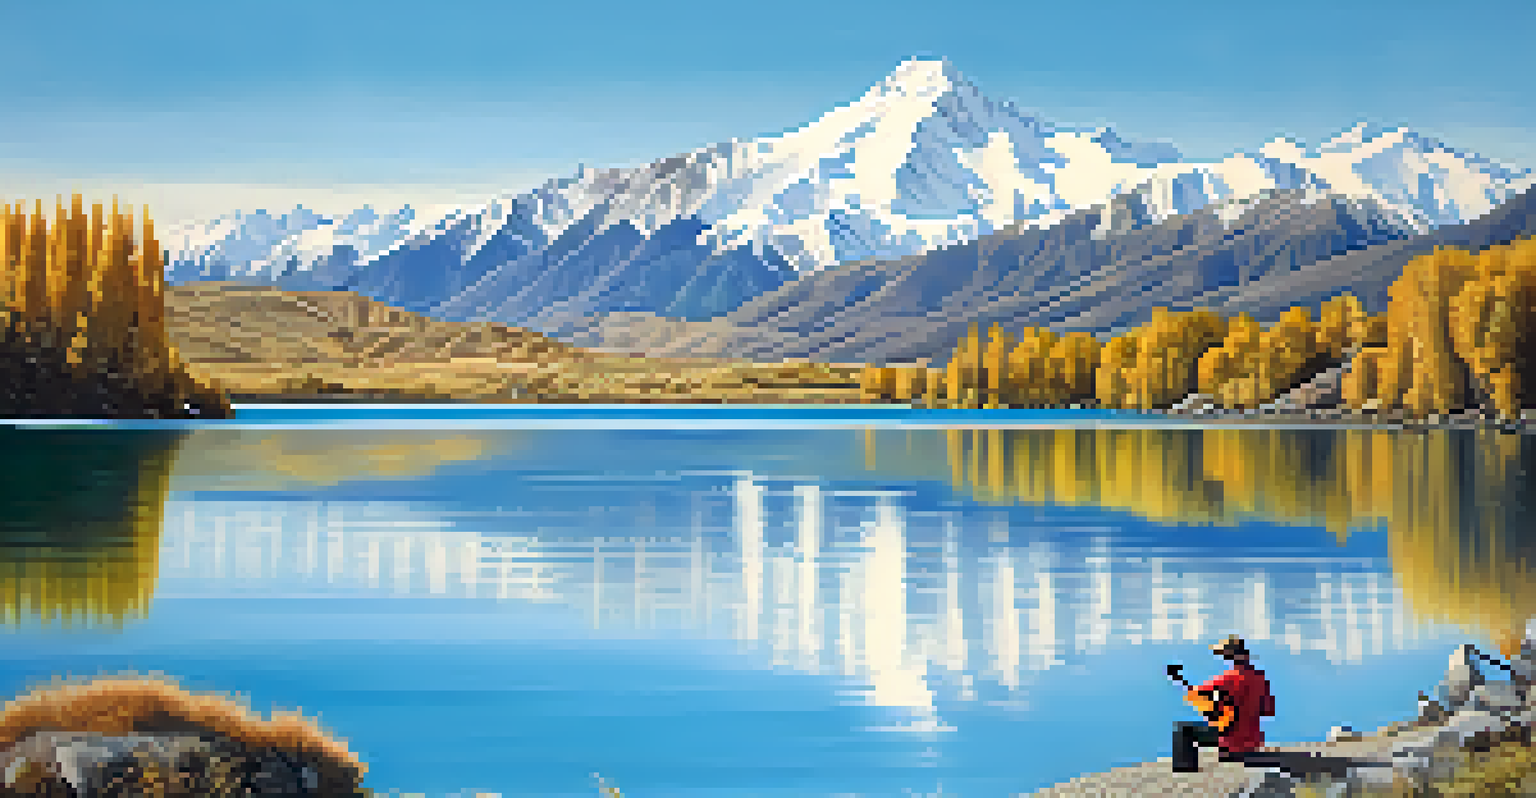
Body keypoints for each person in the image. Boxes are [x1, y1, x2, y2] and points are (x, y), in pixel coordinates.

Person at [1172, 635, 1275, 773]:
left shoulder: (1227, 679)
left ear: (1229, 656)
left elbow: (1196, 695)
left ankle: (1185, 771)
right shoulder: (1260, 678)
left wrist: (1178, 679)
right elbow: (1268, 711)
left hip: (1231, 743)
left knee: (1183, 730)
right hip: (1253, 741)